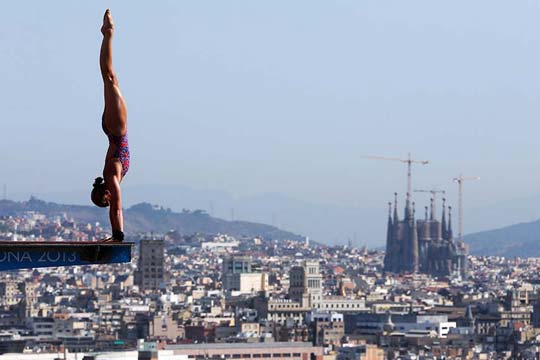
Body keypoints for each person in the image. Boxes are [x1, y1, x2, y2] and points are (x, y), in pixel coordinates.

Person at [91, 9, 130, 242]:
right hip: (113, 130)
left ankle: (108, 33)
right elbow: (115, 207)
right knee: (108, 78)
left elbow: (117, 208)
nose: (110, 201)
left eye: (105, 200)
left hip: (116, 130)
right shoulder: (110, 175)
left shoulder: (110, 174)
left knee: (109, 77)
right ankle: (107, 34)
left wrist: (117, 235)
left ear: (104, 193)